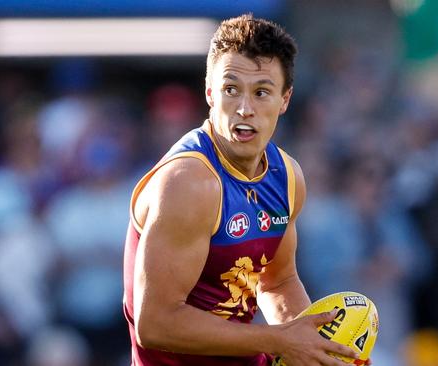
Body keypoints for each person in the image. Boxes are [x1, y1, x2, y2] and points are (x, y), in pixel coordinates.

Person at [122, 14, 360, 366]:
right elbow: (155, 324)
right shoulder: (189, 182)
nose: (245, 109)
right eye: (231, 89)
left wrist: (316, 350)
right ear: (209, 92)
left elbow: (278, 283)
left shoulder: (287, 176)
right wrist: (280, 341)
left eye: (262, 92)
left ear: (285, 99)